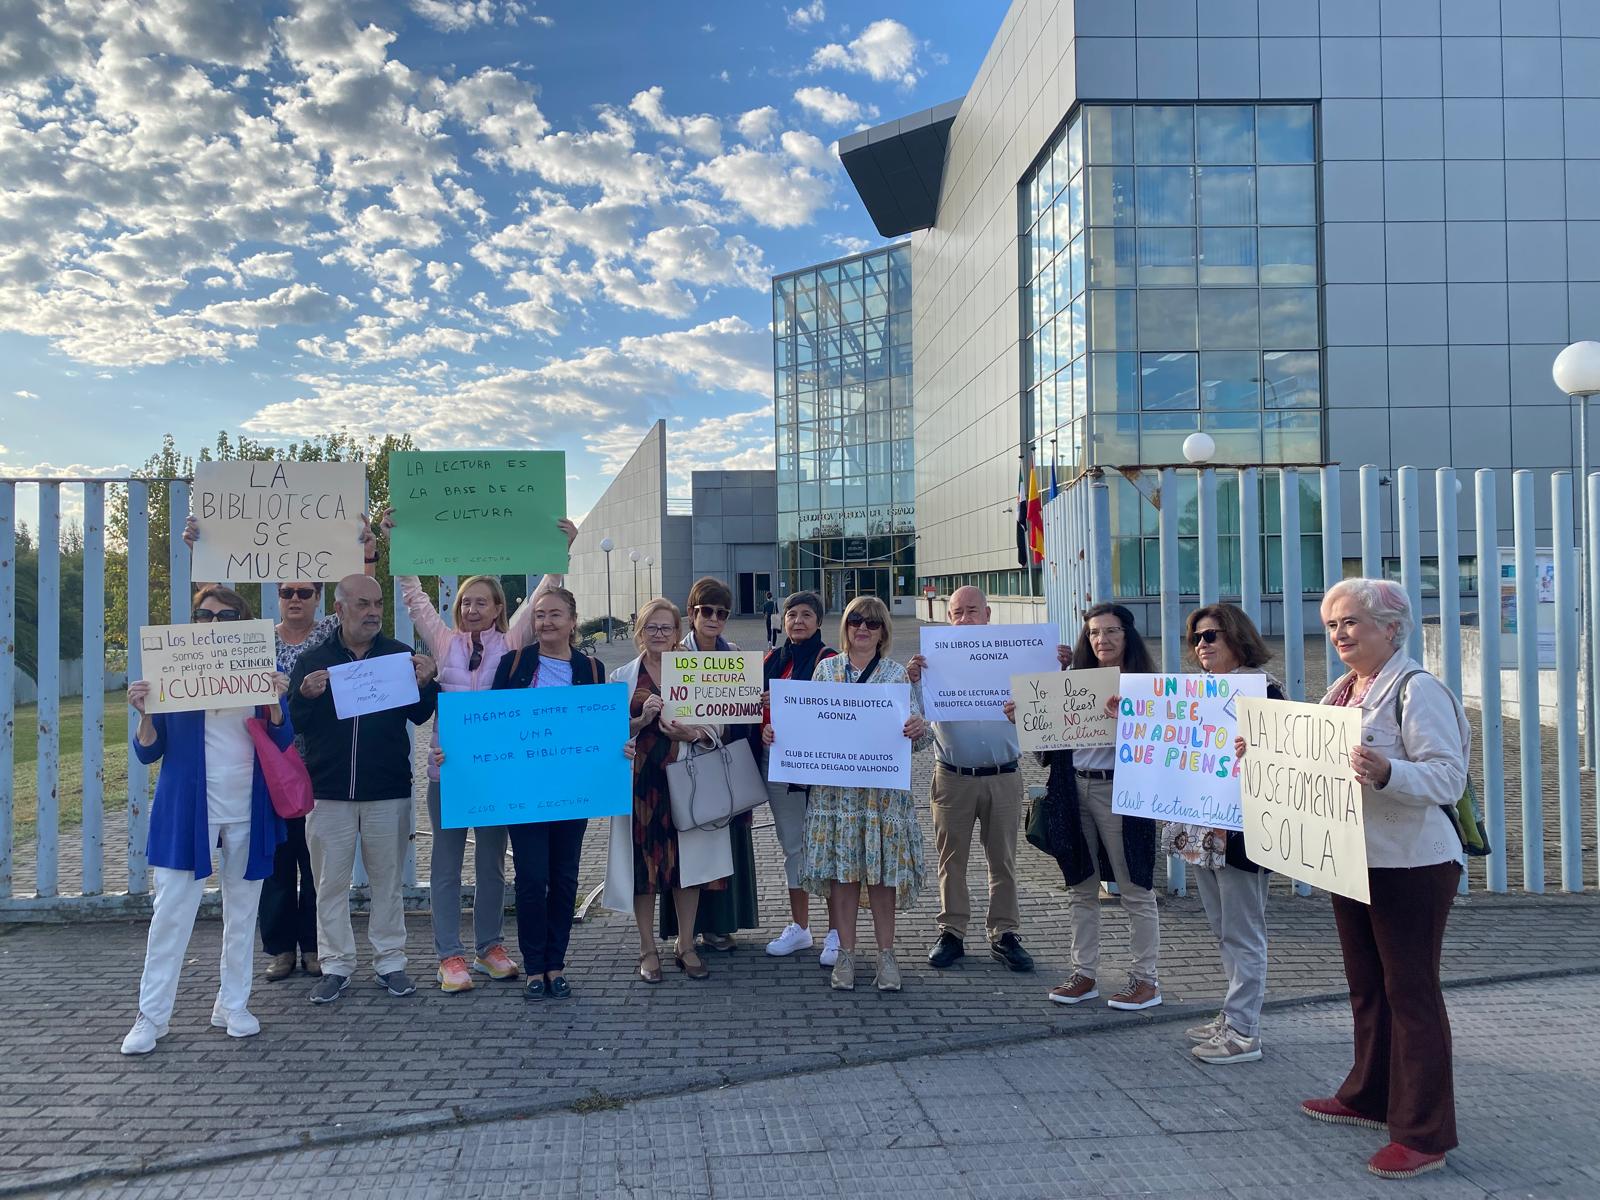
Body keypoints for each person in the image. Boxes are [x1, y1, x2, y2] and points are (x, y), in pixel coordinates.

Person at [1295, 578, 1469, 1181]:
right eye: (1333, 625)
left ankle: (1425, 1134)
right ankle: (1369, 1096)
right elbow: (1308, 757)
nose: (1339, 635)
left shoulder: (1418, 692)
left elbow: (1448, 779)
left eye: (1351, 623)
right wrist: (1258, 753)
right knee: (1368, 987)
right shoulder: (1342, 689)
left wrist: (1390, 771)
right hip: (1354, 858)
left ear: (1390, 629)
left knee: (1411, 994)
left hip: (1412, 865)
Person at [181, 514, 378, 984]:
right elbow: (214, 627)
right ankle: (280, 950)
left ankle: (313, 947)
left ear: (318, 599)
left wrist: (368, 552)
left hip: (318, 764)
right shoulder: (254, 641)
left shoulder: (329, 633)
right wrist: (201, 551)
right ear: (278, 598)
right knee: (273, 861)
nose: (294, 599)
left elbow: (360, 598)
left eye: (305, 592)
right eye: (287, 592)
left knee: (315, 864)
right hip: (266, 766)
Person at [120, 586, 293, 1054]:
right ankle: (151, 1015)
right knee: (170, 914)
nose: (213, 623)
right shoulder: (173, 672)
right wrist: (144, 714)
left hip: (247, 811)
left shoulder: (257, 672)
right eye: (204, 614)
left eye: (226, 615)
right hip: (187, 812)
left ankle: (232, 1003)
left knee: (242, 914)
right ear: (193, 621)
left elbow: (282, 740)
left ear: (242, 622)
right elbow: (148, 751)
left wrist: (276, 701)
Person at [289, 575, 440, 1004]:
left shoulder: (399, 656)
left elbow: (418, 715)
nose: (373, 611)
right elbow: (297, 722)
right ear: (339, 609)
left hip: (386, 790)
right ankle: (335, 965)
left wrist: (428, 683)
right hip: (329, 792)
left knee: (388, 882)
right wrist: (305, 696)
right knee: (329, 884)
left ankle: (390, 962)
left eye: (377, 603)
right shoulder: (314, 660)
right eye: (362, 604)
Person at [775, 595, 930, 993]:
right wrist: (777, 733)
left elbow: (921, 737)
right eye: (856, 620)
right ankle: (845, 954)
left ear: (883, 632)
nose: (863, 628)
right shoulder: (826, 671)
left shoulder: (897, 675)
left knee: (881, 878)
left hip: (881, 798)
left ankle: (886, 956)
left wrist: (918, 729)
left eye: (872, 623)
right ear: (845, 626)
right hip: (835, 798)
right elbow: (806, 724)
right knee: (842, 878)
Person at [483, 585, 612, 1000]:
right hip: (524, 791)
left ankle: (557, 963)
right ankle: (534, 965)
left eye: (555, 614)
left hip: (573, 791)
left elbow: (600, 733)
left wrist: (618, 746)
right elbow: (491, 724)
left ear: (573, 621)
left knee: (564, 877)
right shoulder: (514, 664)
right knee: (531, 878)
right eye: (539, 615)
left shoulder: (592, 670)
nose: (546, 622)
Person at [1033, 603, 1163, 1011]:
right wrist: (1027, 721)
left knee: (1135, 888)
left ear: (1128, 635)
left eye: (1110, 631)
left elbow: (1160, 746)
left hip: (1121, 793)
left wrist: (1132, 720)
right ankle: (1084, 974)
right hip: (1073, 791)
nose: (1101, 640)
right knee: (1080, 886)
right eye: (1094, 633)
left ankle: (1146, 980)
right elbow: (1048, 748)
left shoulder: (1147, 686)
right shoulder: (1073, 681)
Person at [1170, 603, 1284, 1065]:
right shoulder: (1201, 691)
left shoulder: (1265, 692)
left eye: (1211, 635)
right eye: (1197, 637)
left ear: (1237, 637)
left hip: (1240, 830)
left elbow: (1286, 759)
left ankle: (1244, 1031)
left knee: (1243, 931)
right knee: (1223, 930)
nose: (1202, 645)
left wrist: (1258, 750)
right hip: (1203, 828)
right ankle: (1233, 1014)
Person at [906, 586, 1034, 974]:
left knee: (1004, 861)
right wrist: (912, 680)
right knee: (951, 861)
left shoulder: (1019, 658)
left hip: (1004, 775)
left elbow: (1046, 711)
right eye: (957, 612)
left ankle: (1005, 933)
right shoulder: (933, 664)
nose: (964, 619)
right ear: (948, 618)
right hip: (953, 776)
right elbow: (915, 715)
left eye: (972, 611)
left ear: (989, 614)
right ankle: (952, 932)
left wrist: (1057, 667)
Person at [602, 597, 729, 983]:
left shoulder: (696, 670)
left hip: (685, 779)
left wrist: (689, 732)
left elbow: (718, 726)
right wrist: (640, 722)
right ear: (640, 632)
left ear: (678, 632)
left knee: (686, 867)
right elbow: (607, 735)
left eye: (667, 628)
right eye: (652, 628)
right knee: (644, 868)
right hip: (641, 785)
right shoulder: (620, 676)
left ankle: (686, 944)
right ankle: (647, 949)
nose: (659, 634)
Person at [660, 577, 758, 954]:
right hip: (684, 761)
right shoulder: (674, 654)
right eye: (706, 611)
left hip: (722, 763)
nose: (713, 618)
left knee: (724, 842)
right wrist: (692, 733)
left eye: (721, 612)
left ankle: (718, 926)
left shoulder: (733, 653)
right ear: (692, 613)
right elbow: (670, 711)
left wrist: (756, 697)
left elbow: (741, 717)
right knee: (688, 844)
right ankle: (688, 931)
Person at [758, 591, 840, 963]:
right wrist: (764, 728)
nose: (798, 621)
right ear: (783, 620)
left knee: (831, 848)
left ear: (819, 622)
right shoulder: (771, 661)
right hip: (780, 767)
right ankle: (801, 928)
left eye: (807, 615)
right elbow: (753, 712)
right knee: (794, 846)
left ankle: (837, 932)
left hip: (823, 770)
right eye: (792, 615)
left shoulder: (832, 662)